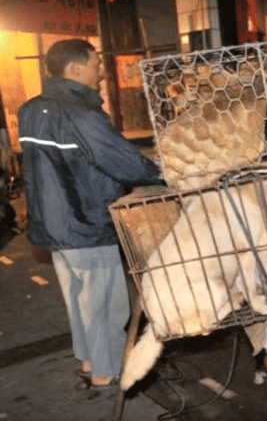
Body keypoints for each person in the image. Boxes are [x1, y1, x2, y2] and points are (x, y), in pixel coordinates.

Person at [17, 39, 161, 388]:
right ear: (76, 68)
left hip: (53, 224)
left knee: (79, 301)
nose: (100, 71)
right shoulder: (81, 113)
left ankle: (87, 361)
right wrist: (160, 172)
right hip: (87, 221)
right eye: (95, 63)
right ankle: (104, 372)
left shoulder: (31, 110)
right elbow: (119, 160)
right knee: (106, 304)